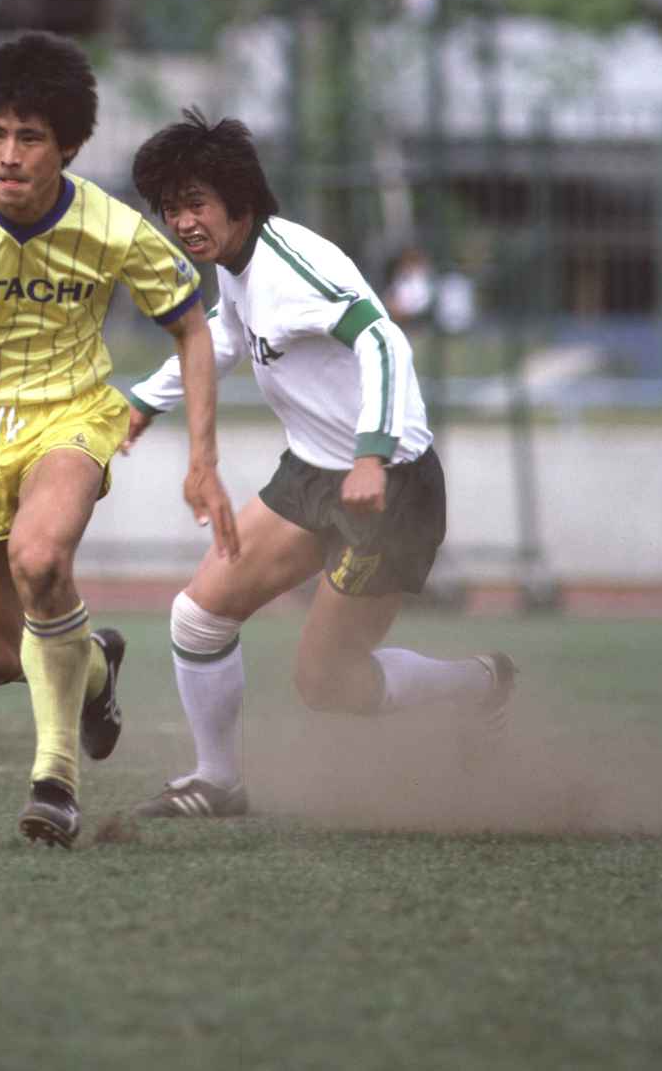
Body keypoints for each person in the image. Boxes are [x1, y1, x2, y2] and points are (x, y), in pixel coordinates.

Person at [0, 33, 238, 848]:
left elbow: (194, 329)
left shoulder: (112, 231)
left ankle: (54, 782)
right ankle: (95, 664)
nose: (8, 154)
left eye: (30, 137)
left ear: (68, 146)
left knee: (40, 559)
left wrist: (202, 460)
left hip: (69, 416)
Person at [124, 110, 514, 820]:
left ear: (240, 202)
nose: (181, 222)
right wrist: (145, 401)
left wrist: (371, 455)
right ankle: (218, 781)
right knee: (198, 617)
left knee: (326, 682)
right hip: (310, 474)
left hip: (389, 488)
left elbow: (385, 343)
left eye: (195, 204)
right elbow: (225, 336)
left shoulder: (291, 267)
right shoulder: (236, 268)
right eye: (170, 208)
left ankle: (478, 684)